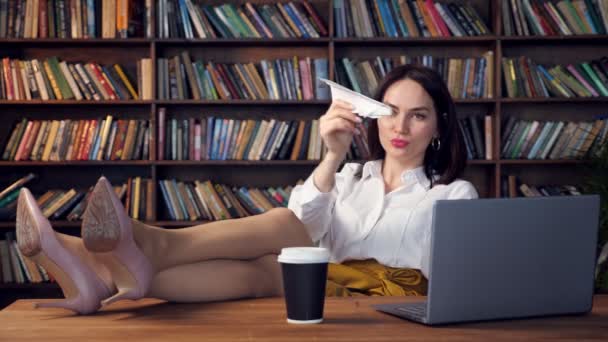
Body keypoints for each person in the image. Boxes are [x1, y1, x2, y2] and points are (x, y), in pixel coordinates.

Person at [15, 64, 477, 315]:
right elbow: (305, 224)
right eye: (390, 111)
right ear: (372, 116)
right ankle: (100, 275)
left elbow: (452, 281)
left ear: (437, 127)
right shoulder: (351, 177)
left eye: (418, 115)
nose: (400, 126)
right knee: (266, 261)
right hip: (320, 287)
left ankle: (120, 247)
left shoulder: (454, 195)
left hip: (389, 304)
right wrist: (333, 157)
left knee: (280, 232)